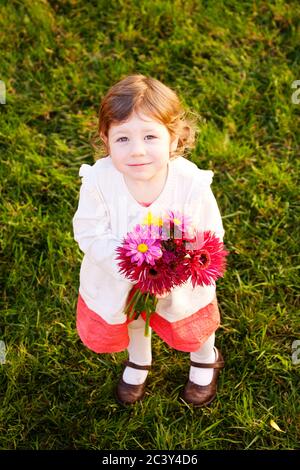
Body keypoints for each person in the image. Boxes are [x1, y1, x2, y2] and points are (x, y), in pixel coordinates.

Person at [72, 74, 225, 407]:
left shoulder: (189, 181)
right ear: (105, 139)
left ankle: (204, 356)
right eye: (123, 138)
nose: (137, 150)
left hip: (178, 278)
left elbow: (209, 233)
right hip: (122, 275)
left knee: (191, 319)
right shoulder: (99, 179)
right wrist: (127, 267)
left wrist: (180, 262)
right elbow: (89, 229)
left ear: (174, 138)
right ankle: (139, 359)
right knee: (135, 317)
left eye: (151, 136)